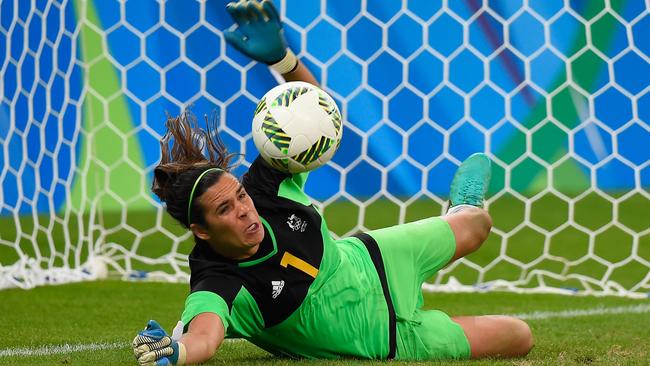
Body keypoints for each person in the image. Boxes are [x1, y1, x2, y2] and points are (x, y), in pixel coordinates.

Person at [132, 1, 534, 365]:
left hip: (375, 259)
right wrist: (179, 351)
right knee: (519, 336)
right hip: (387, 336)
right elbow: (204, 334)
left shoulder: (265, 187)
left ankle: (461, 205)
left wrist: (284, 61)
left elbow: (316, 115)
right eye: (224, 210)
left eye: (238, 195)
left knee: (477, 225)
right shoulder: (218, 281)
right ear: (201, 231)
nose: (244, 209)